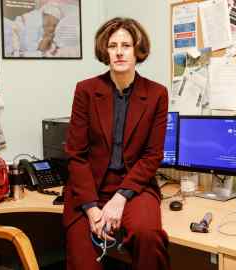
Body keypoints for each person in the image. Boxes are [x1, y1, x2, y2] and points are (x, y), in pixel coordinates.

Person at [63, 17, 170, 270]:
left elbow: (152, 155)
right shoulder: (86, 91)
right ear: (105, 51)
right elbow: (76, 155)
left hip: (134, 186)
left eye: (126, 45)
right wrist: (91, 209)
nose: (119, 52)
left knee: (148, 236)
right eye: (113, 45)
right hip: (89, 187)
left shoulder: (156, 94)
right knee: (82, 261)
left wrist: (121, 198)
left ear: (137, 50)